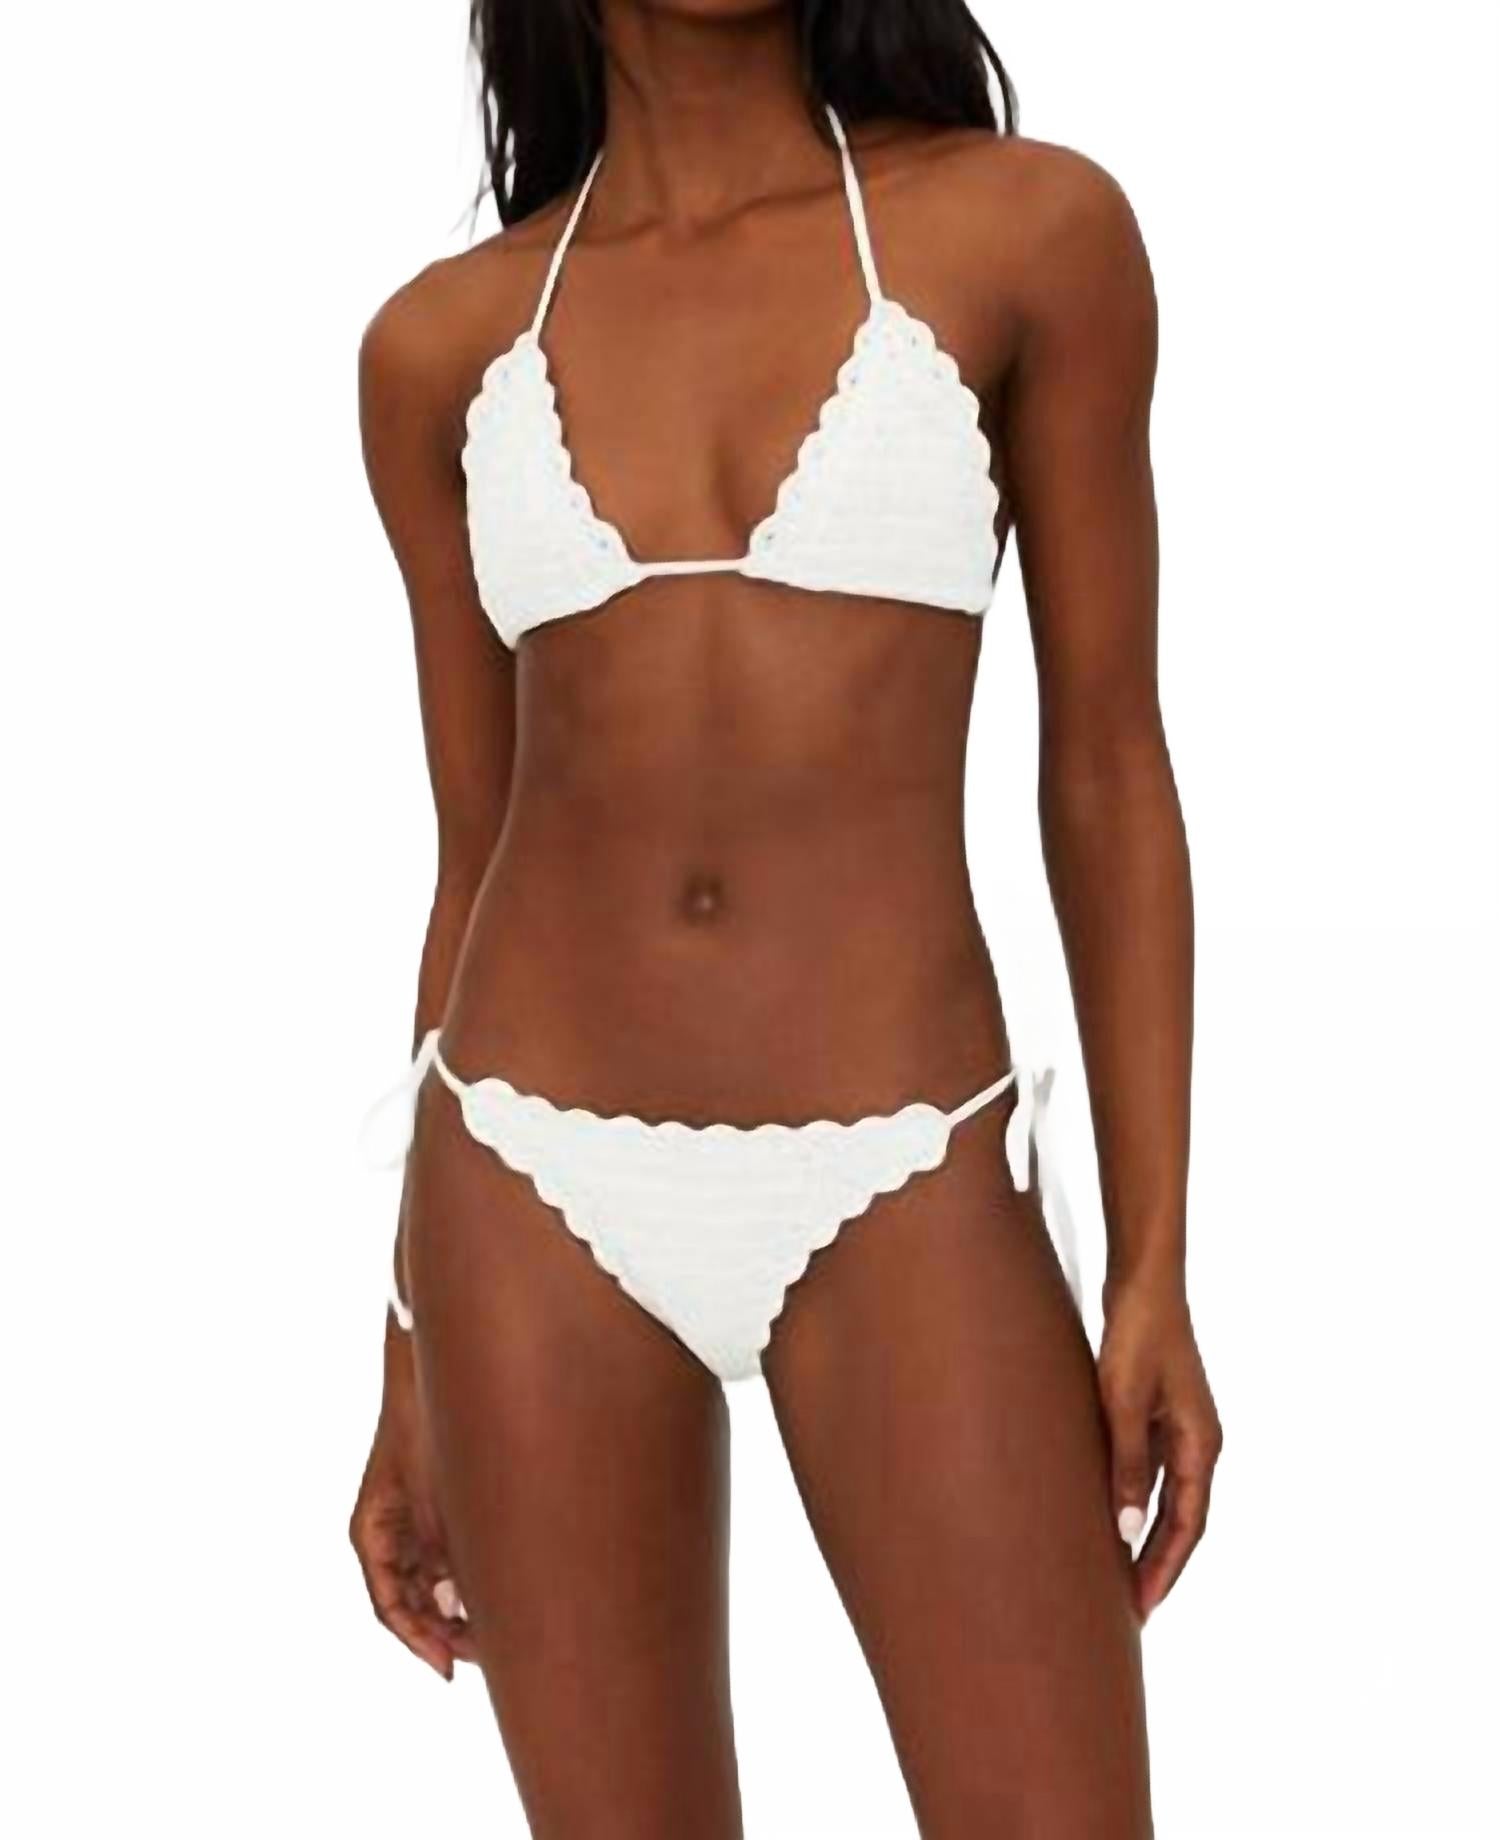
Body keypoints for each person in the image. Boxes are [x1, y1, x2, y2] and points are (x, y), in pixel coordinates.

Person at [350, 2, 1221, 1833]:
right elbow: (469, 849)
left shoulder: (1028, 234)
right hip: (524, 1178)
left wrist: (1152, 1259)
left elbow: (1108, 770)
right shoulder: (441, 344)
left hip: (907, 1162)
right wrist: (406, 1340)